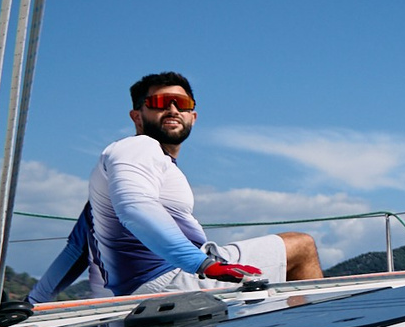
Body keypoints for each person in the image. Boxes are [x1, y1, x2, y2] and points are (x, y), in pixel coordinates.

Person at [28, 72, 323, 300]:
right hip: (168, 281)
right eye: (158, 103)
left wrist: (33, 304)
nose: (171, 109)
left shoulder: (133, 170)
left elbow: (77, 250)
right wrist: (202, 264)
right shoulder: (138, 148)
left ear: (193, 116)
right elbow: (135, 209)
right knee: (301, 246)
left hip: (146, 286)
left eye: (181, 104)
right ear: (137, 117)